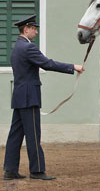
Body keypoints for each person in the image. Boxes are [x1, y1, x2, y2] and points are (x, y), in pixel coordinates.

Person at [3, 14, 85, 180]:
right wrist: (73, 67)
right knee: (33, 134)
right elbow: (48, 63)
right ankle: (37, 171)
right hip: (29, 97)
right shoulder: (28, 48)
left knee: (15, 135)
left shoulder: (17, 47)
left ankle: (10, 171)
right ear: (26, 29)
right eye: (34, 29)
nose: (36, 32)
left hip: (19, 96)